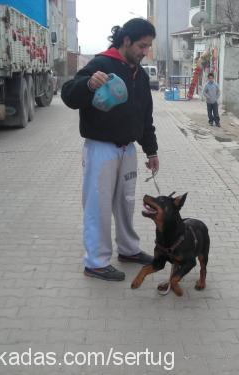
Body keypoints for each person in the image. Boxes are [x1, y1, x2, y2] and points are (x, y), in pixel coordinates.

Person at [61, 18, 159, 281]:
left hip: (128, 150)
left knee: (126, 202)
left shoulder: (140, 73)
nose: (144, 51)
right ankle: (95, 262)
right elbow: (69, 95)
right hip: (101, 149)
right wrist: (89, 84)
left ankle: (128, 249)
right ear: (126, 41)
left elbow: (145, 116)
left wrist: (151, 151)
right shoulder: (101, 64)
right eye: (141, 45)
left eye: (148, 47)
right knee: (98, 205)